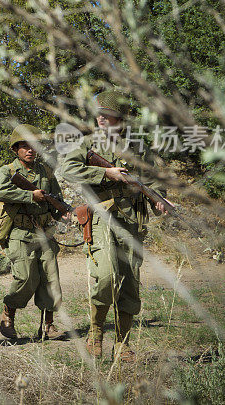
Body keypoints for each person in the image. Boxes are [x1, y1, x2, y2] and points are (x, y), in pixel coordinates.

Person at [60, 90, 168, 361]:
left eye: (107, 115)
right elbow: (67, 169)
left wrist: (159, 198)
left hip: (131, 220)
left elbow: (152, 180)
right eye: (99, 114)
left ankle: (123, 344)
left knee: (130, 282)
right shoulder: (87, 144)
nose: (101, 119)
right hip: (101, 217)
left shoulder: (137, 147)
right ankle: (95, 333)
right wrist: (103, 172)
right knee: (106, 277)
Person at [0, 124, 70, 341]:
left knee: (51, 279)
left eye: (33, 146)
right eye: (24, 146)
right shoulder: (8, 171)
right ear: (16, 148)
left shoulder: (46, 171)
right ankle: (8, 312)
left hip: (45, 233)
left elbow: (56, 199)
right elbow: (2, 191)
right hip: (20, 233)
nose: (30, 150)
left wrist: (61, 213)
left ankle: (48, 325)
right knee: (26, 276)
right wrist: (31, 196)